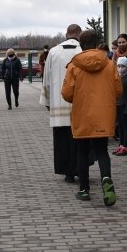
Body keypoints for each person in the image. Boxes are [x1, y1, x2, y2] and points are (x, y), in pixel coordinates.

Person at [61, 29, 122, 206]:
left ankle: (84, 190)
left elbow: (66, 93)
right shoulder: (110, 64)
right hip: (103, 114)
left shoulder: (74, 65)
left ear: (81, 44)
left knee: (82, 152)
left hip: (82, 114)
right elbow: (118, 91)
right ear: (97, 43)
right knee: (102, 151)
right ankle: (106, 179)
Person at [40, 25, 82, 183]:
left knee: (62, 140)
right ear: (80, 34)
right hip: (80, 104)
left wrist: (48, 101)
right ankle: (80, 169)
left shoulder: (53, 51)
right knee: (79, 140)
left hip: (59, 103)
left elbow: (47, 78)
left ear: (66, 35)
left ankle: (67, 173)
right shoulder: (83, 50)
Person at [112, 56, 127, 156]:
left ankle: (126, 145)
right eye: (119, 66)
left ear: (126, 66)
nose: (120, 68)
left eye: (123, 66)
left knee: (126, 126)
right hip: (118, 104)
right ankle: (121, 144)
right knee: (119, 125)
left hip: (125, 105)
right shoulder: (117, 76)